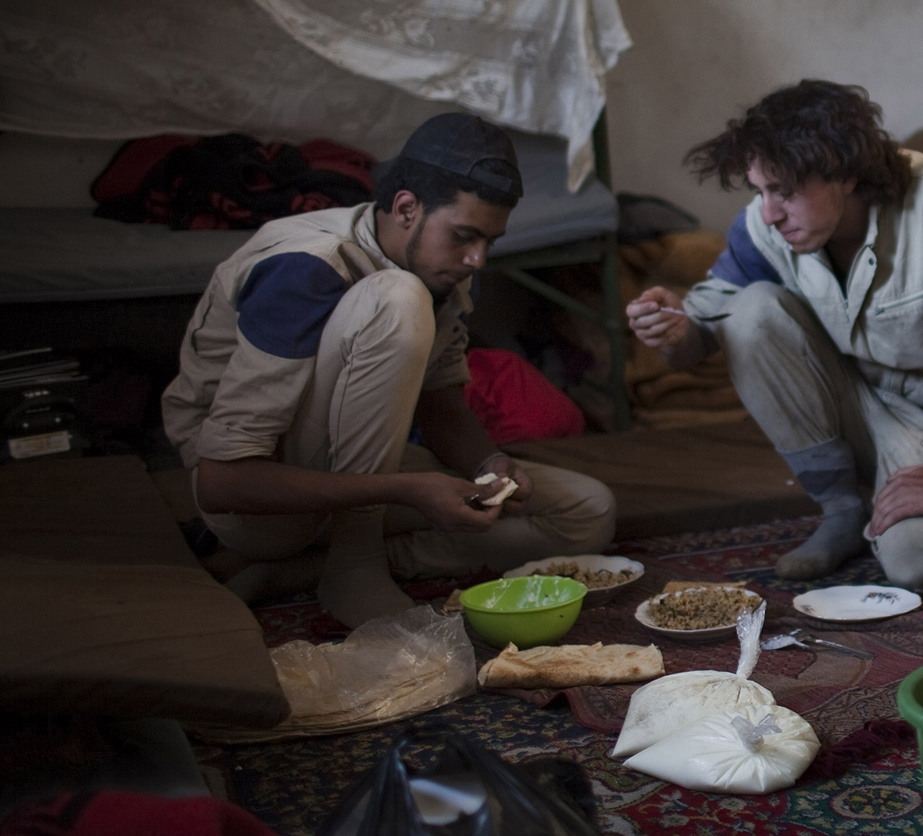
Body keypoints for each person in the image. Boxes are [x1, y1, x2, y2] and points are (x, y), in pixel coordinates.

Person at [164, 113, 616, 628]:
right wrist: (407, 489)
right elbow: (223, 484)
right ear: (405, 208)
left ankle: (304, 572)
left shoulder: (442, 266)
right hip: (260, 510)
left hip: (356, 477)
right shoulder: (307, 266)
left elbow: (441, 405)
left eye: (489, 242)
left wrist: (487, 461)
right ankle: (354, 565)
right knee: (398, 297)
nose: (477, 259)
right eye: (464, 236)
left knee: (587, 512)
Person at [626, 81, 923, 591]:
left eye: (784, 191)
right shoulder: (763, 227)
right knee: (750, 311)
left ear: (845, 174)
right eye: (759, 190)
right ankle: (843, 510)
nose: (770, 213)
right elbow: (695, 343)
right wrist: (670, 330)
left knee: (921, 563)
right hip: (852, 402)